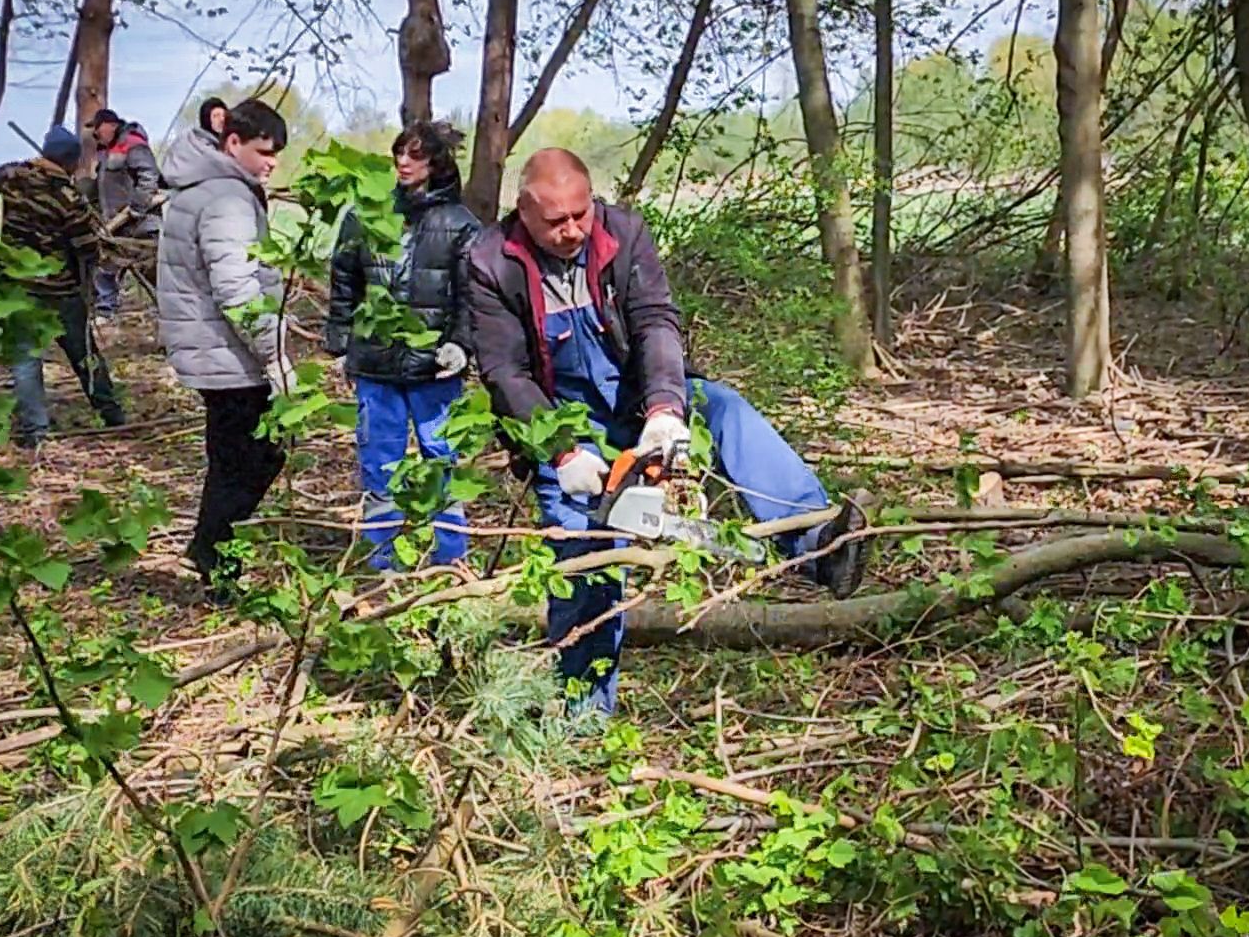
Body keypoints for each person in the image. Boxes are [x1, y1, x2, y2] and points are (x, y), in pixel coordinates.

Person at [468, 148, 872, 715]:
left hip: (634, 396)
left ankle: (817, 543)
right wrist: (562, 452)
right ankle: (583, 715)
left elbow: (655, 318)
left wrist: (664, 408)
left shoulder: (623, 232)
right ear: (523, 213)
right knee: (584, 552)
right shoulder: (491, 262)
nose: (571, 230)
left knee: (724, 409)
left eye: (580, 214)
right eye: (554, 221)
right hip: (561, 416)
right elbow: (504, 372)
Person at [325, 120, 479, 569]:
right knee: (379, 463)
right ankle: (381, 559)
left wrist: (461, 346)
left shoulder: (460, 224)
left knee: (441, 459)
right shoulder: (366, 215)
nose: (403, 163)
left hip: (434, 370)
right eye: (399, 153)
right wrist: (340, 346)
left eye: (414, 155)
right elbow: (344, 282)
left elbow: (473, 296)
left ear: (436, 162)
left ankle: (449, 558)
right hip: (375, 364)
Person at [157, 97, 294, 596]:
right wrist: (273, 354)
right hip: (229, 356)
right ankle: (214, 558)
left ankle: (211, 553)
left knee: (233, 460)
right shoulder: (226, 199)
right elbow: (236, 290)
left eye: (276, 152)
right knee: (252, 460)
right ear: (232, 142)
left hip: (212, 351)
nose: (271, 161)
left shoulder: (201, 187)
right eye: (262, 150)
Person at [0, 126, 126, 448]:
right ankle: (111, 416)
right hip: (58, 291)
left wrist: (32, 165)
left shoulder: (13, 179)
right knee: (84, 355)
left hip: (14, 288)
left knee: (25, 363)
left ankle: (35, 432)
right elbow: (86, 247)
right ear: (71, 161)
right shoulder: (67, 197)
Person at [87, 108, 161, 319]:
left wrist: (138, 208)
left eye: (97, 129)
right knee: (105, 270)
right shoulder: (106, 152)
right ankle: (105, 313)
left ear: (110, 125)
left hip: (140, 225)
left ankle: (168, 314)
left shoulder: (133, 144)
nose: (96, 135)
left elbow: (149, 177)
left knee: (154, 273)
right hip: (115, 227)